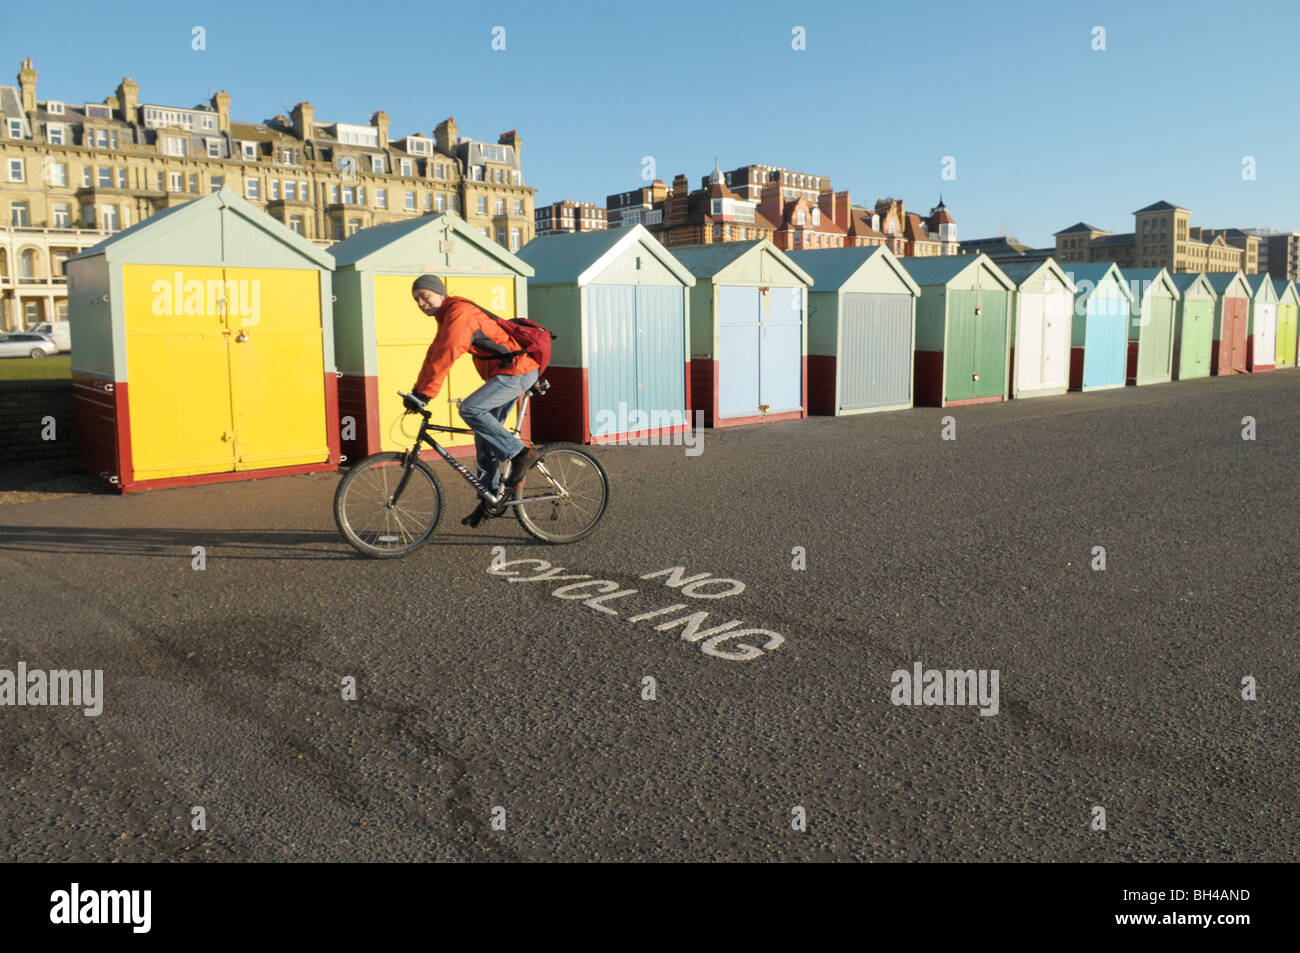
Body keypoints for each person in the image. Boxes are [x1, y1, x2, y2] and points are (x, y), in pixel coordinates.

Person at [404, 273, 539, 527]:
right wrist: (417, 391)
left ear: (440, 293)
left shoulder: (459, 313)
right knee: (484, 434)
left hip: (516, 371)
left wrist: (425, 394)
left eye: (424, 296)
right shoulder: (446, 317)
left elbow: (448, 352)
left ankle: (521, 454)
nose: (421, 303)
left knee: (469, 408)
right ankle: (490, 498)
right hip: (507, 373)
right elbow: (434, 354)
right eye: (416, 300)